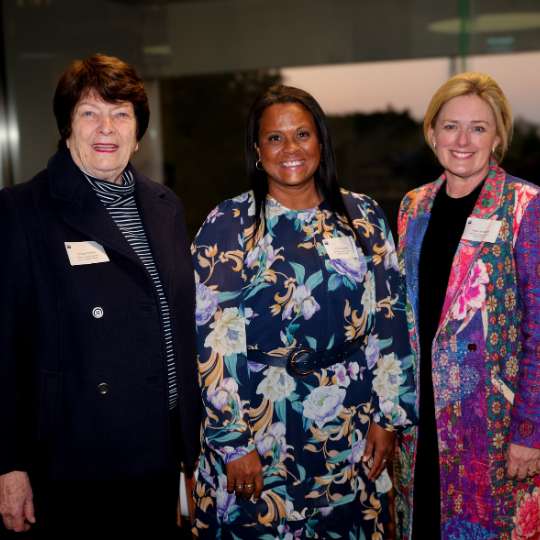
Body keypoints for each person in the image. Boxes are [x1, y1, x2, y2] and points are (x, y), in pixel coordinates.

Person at [191, 84, 416, 539]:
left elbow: (391, 320)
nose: (290, 148)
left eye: (302, 134)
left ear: (321, 141)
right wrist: (233, 442)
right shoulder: (229, 225)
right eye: (275, 138)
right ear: (257, 149)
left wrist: (387, 417)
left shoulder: (363, 216)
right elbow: (213, 341)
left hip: (349, 427)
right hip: (261, 427)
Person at [0, 54, 201, 538]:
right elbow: (3, 348)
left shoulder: (164, 205)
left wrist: (187, 446)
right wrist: (9, 465)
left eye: (121, 114)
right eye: (89, 113)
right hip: (74, 455)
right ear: (67, 127)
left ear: (138, 132)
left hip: (157, 447)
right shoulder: (22, 211)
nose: (105, 128)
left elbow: (177, 324)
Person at [395, 72, 540, 540]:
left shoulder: (525, 205)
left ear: (498, 136)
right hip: (419, 426)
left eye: (478, 127)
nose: (462, 140)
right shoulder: (412, 207)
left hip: (493, 428)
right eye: (451, 125)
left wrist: (530, 431)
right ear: (432, 131)